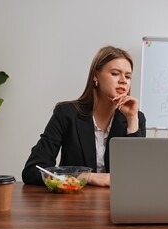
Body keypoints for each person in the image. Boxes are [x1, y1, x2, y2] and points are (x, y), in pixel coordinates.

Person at [22, 46, 146, 187]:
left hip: (118, 204)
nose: (124, 81)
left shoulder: (136, 118)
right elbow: (32, 171)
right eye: (115, 73)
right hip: (74, 202)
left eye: (128, 76)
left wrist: (132, 119)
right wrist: (85, 176)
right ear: (95, 76)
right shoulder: (66, 114)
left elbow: (139, 177)